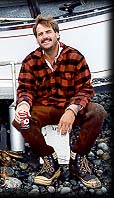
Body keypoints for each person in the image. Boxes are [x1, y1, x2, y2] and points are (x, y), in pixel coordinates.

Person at [12, 15, 107, 189]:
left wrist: (71, 110)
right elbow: (25, 89)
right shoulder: (30, 61)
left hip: (70, 106)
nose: (44, 36)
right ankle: (50, 161)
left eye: (48, 32)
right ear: (37, 39)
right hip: (45, 107)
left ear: (57, 34)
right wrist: (23, 105)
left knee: (98, 111)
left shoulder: (75, 56)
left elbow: (86, 89)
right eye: (40, 34)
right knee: (21, 121)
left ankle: (78, 159)